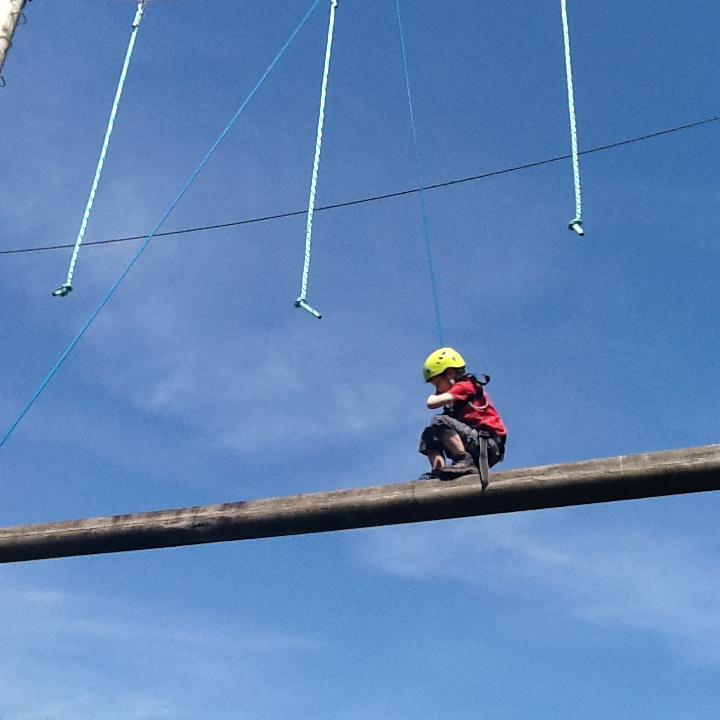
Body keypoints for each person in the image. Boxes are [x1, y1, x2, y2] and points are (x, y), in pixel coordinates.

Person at [419, 347, 507, 479]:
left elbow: (431, 403)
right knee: (429, 432)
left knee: (439, 421)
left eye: (436, 383)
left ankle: (464, 460)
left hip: (488, 445)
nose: (436, 388)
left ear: (449, 374)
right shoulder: (455, 403)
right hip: (476, 443)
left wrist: (435, 395)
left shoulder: (465, 386)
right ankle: (438, 468)